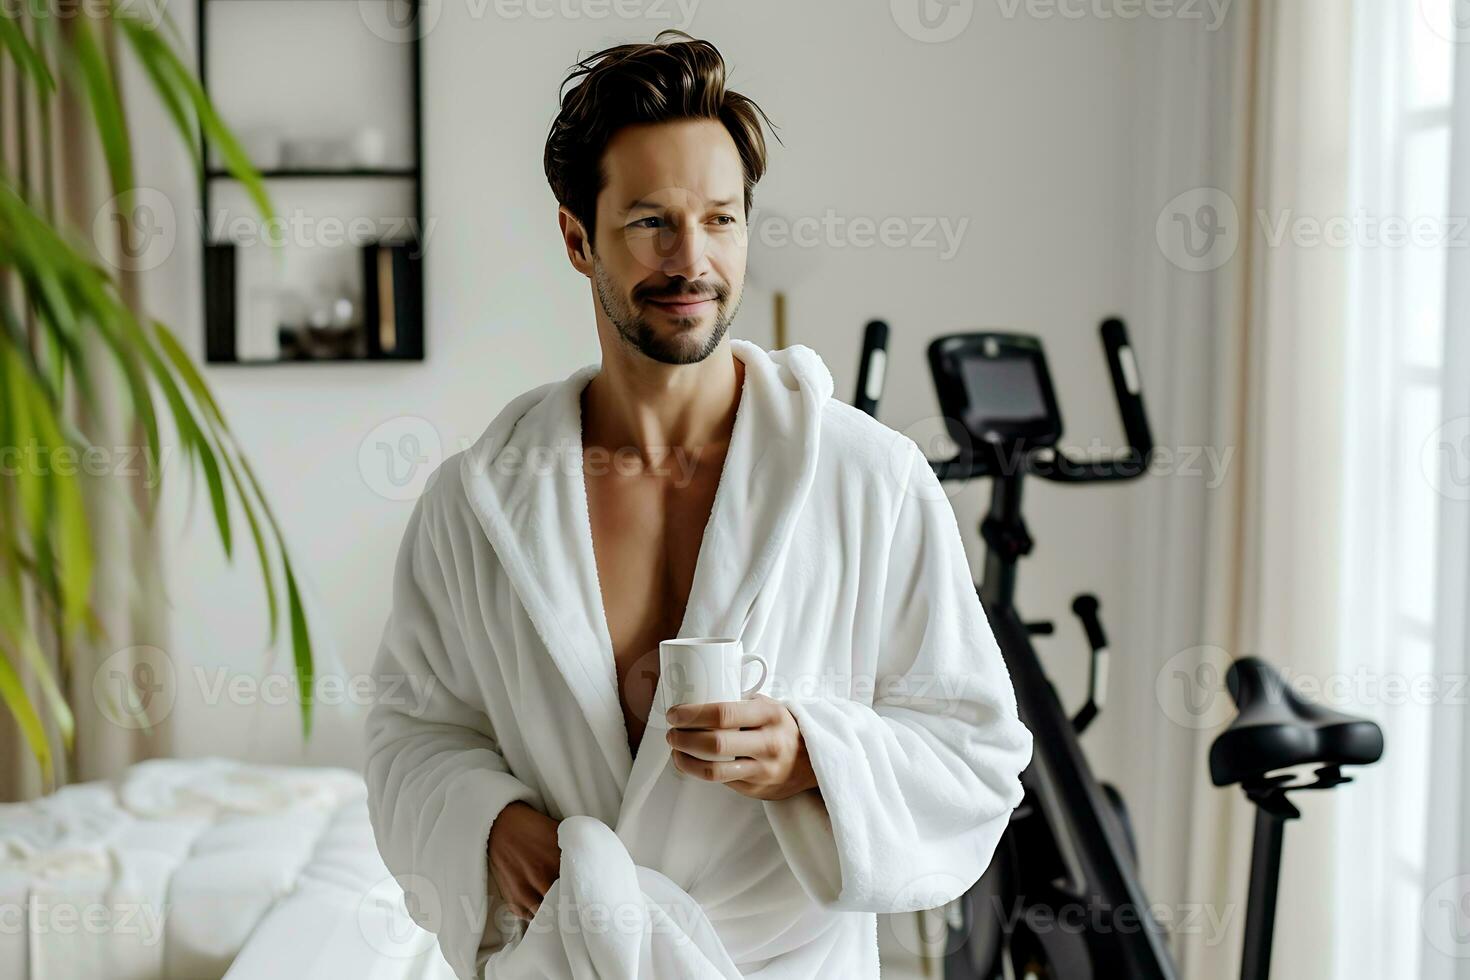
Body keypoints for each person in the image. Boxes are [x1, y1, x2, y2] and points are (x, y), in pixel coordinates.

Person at [363, 30, 1032, 979]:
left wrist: (813, 758)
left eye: (720, 219)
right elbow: (410, 736)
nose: (693, 260)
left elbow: (977, 755)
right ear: (576, 237)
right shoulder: (476, 507)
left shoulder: (867, 481)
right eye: (650, 221)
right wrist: (488, 823)